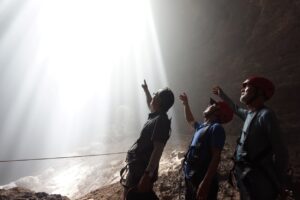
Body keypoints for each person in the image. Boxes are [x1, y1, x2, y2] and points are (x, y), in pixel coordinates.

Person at [213, 76, 289, 200]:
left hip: (260, 179)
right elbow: (234, 107)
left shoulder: (266, 115)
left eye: (247, 87)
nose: (242, 90)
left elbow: (282, 153)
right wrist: (222, 95)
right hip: (246, 175)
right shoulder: (249, 113)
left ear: (259, 92)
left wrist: (279, 183)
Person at [120, 80, 174, 200]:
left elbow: (158, 149)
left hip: (141, 172)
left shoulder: (161, 120)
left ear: (159, 100)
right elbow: (151, 103)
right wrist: (147, 91)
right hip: (137, 169)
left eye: (155, 94)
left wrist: (147, 175)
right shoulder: (156, 116)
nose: (153, 96)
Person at [179, 92, 233, 200]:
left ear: (218, 112)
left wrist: (205, 184)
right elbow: (190, 120)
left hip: (202, 180)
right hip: (192, 178)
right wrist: (186, 104)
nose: (208, 106)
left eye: (211, 105)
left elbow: (216, 158)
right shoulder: (202, 127)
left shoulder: (216, 128)